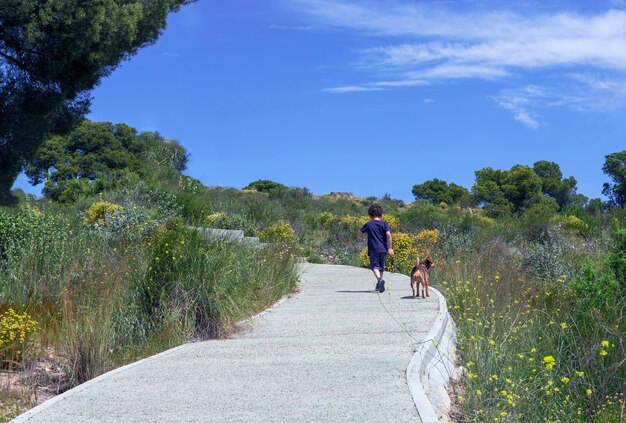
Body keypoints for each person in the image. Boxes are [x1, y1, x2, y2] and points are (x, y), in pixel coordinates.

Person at [357, 203, 394, 293]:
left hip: (373, 249)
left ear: (369, 215)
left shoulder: (368, 224)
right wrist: (390, 248)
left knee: (374, 266)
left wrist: (360, 239)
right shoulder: (385, 224)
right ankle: (379, 285)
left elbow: (359, 233)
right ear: (382, 215)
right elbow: (388, 235)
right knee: (381, 267)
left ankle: (379, 280)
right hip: (384, 249)